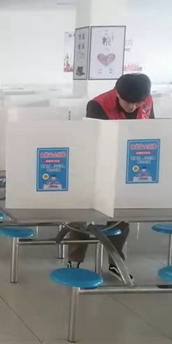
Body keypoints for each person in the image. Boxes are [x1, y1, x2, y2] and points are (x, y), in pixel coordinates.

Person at [66, 73, 154, 281]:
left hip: (126, 164)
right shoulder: (97, 105)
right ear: (117, 94)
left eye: (137, 103)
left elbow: (150, 130)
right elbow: (93, 139)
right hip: (95, 162)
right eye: (128, 102)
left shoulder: (146, 100)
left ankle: (116, 262)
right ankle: (75, 260)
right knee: (83, 212)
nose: (132, 107)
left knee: (120, 215)